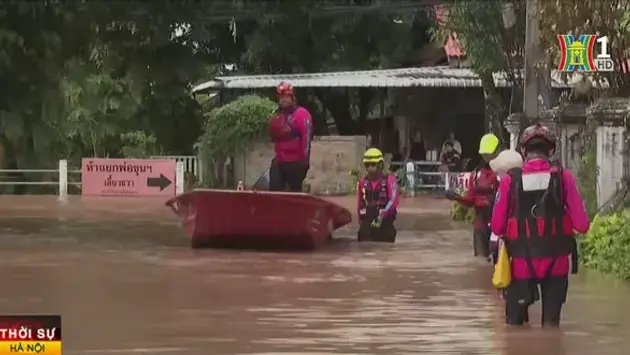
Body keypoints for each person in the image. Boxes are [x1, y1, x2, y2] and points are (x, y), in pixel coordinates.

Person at [490, 123, 590, 327]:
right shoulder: (564, 178)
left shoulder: (510, 181)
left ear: (524, 151)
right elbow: (582, 225)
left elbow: (498, 227)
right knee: (552, 327)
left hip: (521, 264)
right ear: (551, 150)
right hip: (557, 264)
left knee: (514, 328)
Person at [445, 133, 500, 260]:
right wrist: (456, 197)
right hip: (480, 224)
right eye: (484, 154)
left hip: (498, 224)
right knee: (481, 262)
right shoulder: (476, 174)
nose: (487, 157)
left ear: (497, 152)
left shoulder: (503, 174)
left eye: (489, 154)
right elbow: (471, 200)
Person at [268, 82, 312, 192]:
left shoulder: (302, 114)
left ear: (292, 98)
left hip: (297, 162)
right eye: (281, 97)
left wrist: (304, 161)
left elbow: (306, 137)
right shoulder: (277, 115)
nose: (284, 100)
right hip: (280, 160)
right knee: (274, 188)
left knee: (294, 193)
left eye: (286, 97)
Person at [356, 148, 399, 243]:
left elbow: (393, 200)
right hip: (367, 223)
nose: (369, 168)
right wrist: (360, 219)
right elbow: (360, 203)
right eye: (367, 165)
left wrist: (381, 216)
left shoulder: (389, 180)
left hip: (385, 223)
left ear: (380, 165)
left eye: (372, 164)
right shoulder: (363, 182)